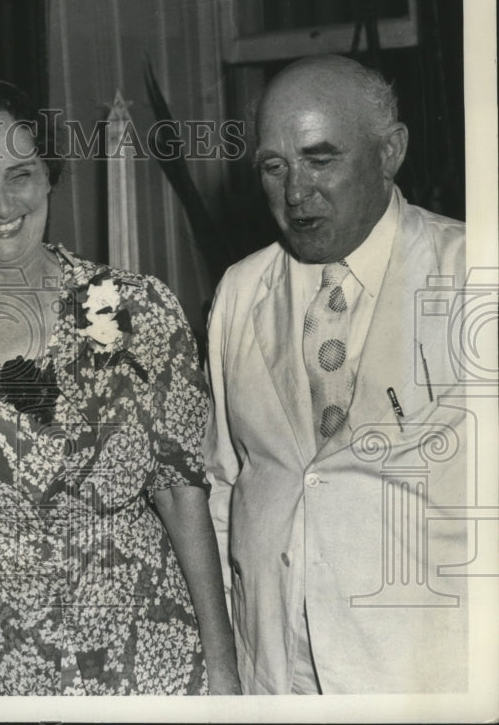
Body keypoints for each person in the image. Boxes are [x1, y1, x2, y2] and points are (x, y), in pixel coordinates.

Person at [0, 80, 240, 695]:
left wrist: (221, 663)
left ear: (49, 178)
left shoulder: (127, 305)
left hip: (148, 641)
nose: (3, 203)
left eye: (21, 174)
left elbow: (180, 492)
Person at [203, 54, 468, 694]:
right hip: (274, 667)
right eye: (274, 167)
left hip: (423, 670)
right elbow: (222, 483)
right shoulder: (241, 290)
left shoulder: (471, 275)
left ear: (390, 152)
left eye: (321, 159)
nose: (296, 192)